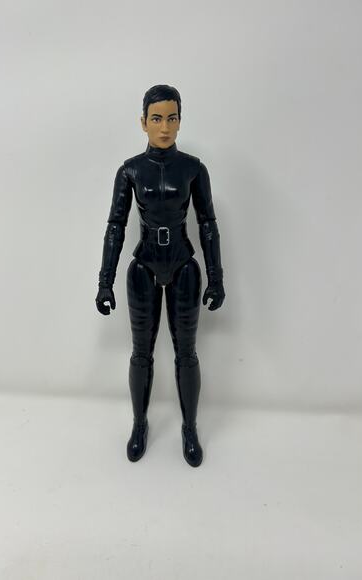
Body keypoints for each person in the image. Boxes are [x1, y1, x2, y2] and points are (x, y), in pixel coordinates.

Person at [95, 84, 225, 467]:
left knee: (187, 353)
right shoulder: (131, 170)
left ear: (180, 121)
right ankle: (139, 424)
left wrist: (216, 276)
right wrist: (104, 280)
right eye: (156, 119)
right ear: (143, 123)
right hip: (144, 266)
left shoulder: (194, 169)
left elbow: (208, 223)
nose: (164, 127)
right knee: (141, 353)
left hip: (184, 265)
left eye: (171, 118)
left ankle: (189, 427)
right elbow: (115, 226)